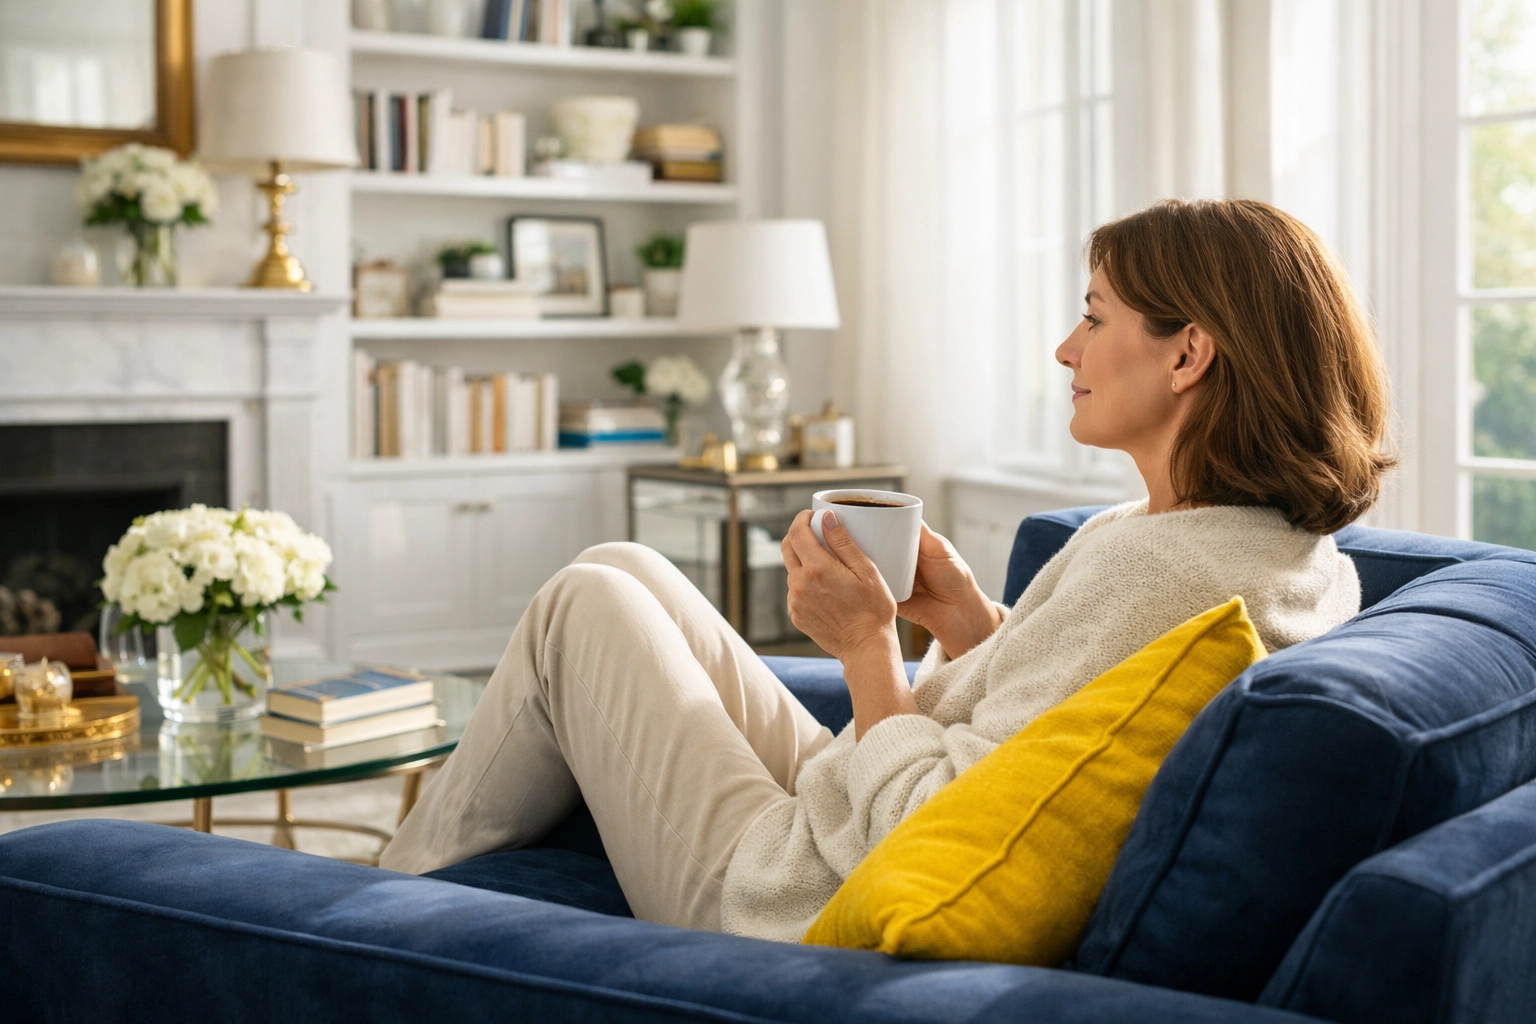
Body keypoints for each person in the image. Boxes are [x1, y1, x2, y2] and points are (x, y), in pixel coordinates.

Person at [381, 198, 1394, 943]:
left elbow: (933, 826)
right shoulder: (1262, 546)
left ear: (1188, 357)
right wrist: (965, 624)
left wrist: (867, 644)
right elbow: (1046, 734)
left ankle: (376, 913)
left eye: (1094, 317)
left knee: (581, 603)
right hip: (841, 806)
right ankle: (433, 888)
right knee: (624, 561)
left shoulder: (1171, 574)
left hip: (802, 896)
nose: (1063, 347)